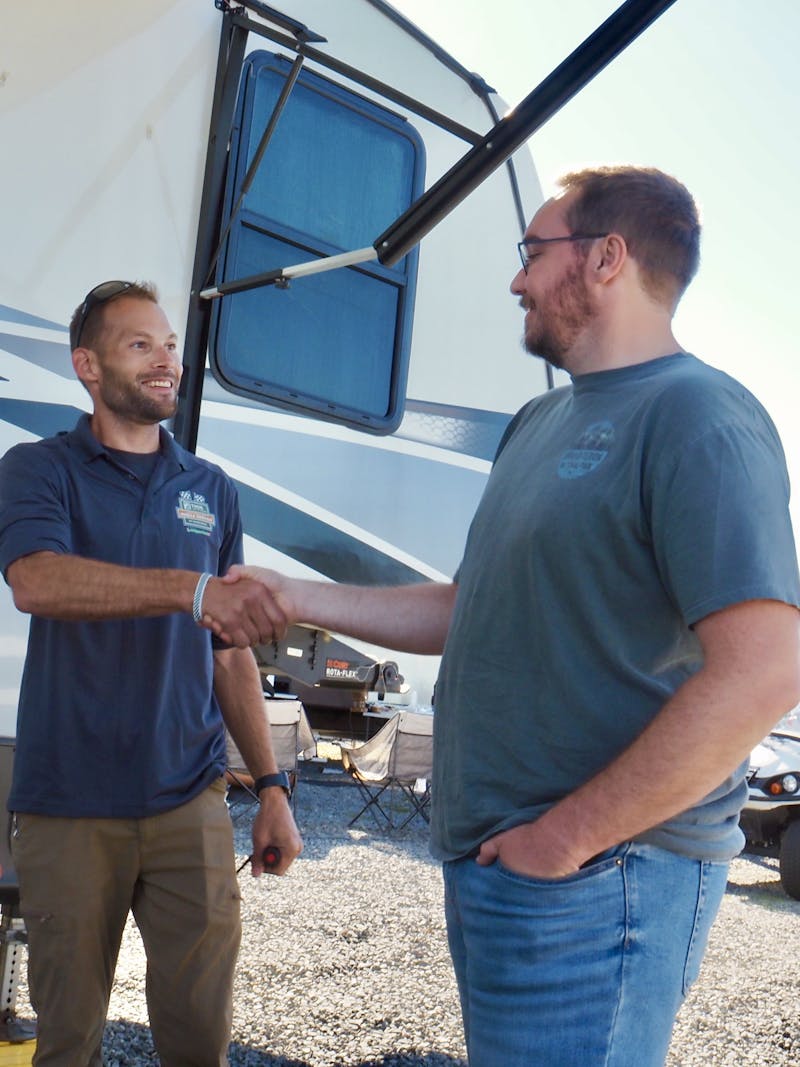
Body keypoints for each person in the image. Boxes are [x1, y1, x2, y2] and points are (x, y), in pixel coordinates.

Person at [210, 168, 800, 1066]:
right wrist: (296, 597)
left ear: (606, 257)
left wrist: (566, 838)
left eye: (533, 252)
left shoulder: (699, 415)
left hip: (605, 878)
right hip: (505, 865)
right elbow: (466, 602)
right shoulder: (537, 422)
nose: (517, 279)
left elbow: (766, 668)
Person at [0, 280, 303, 1067]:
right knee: (67, 1041)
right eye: (141, 345)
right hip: (69, 803)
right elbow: (38, 581)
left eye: (170, 343)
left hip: (189, 802)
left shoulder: (210, 490)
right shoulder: (39, 468)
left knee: (202, 1041)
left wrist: (271, 787)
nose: (167, 359)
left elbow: (229, 651)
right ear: (88, 366)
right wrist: (188, 588)